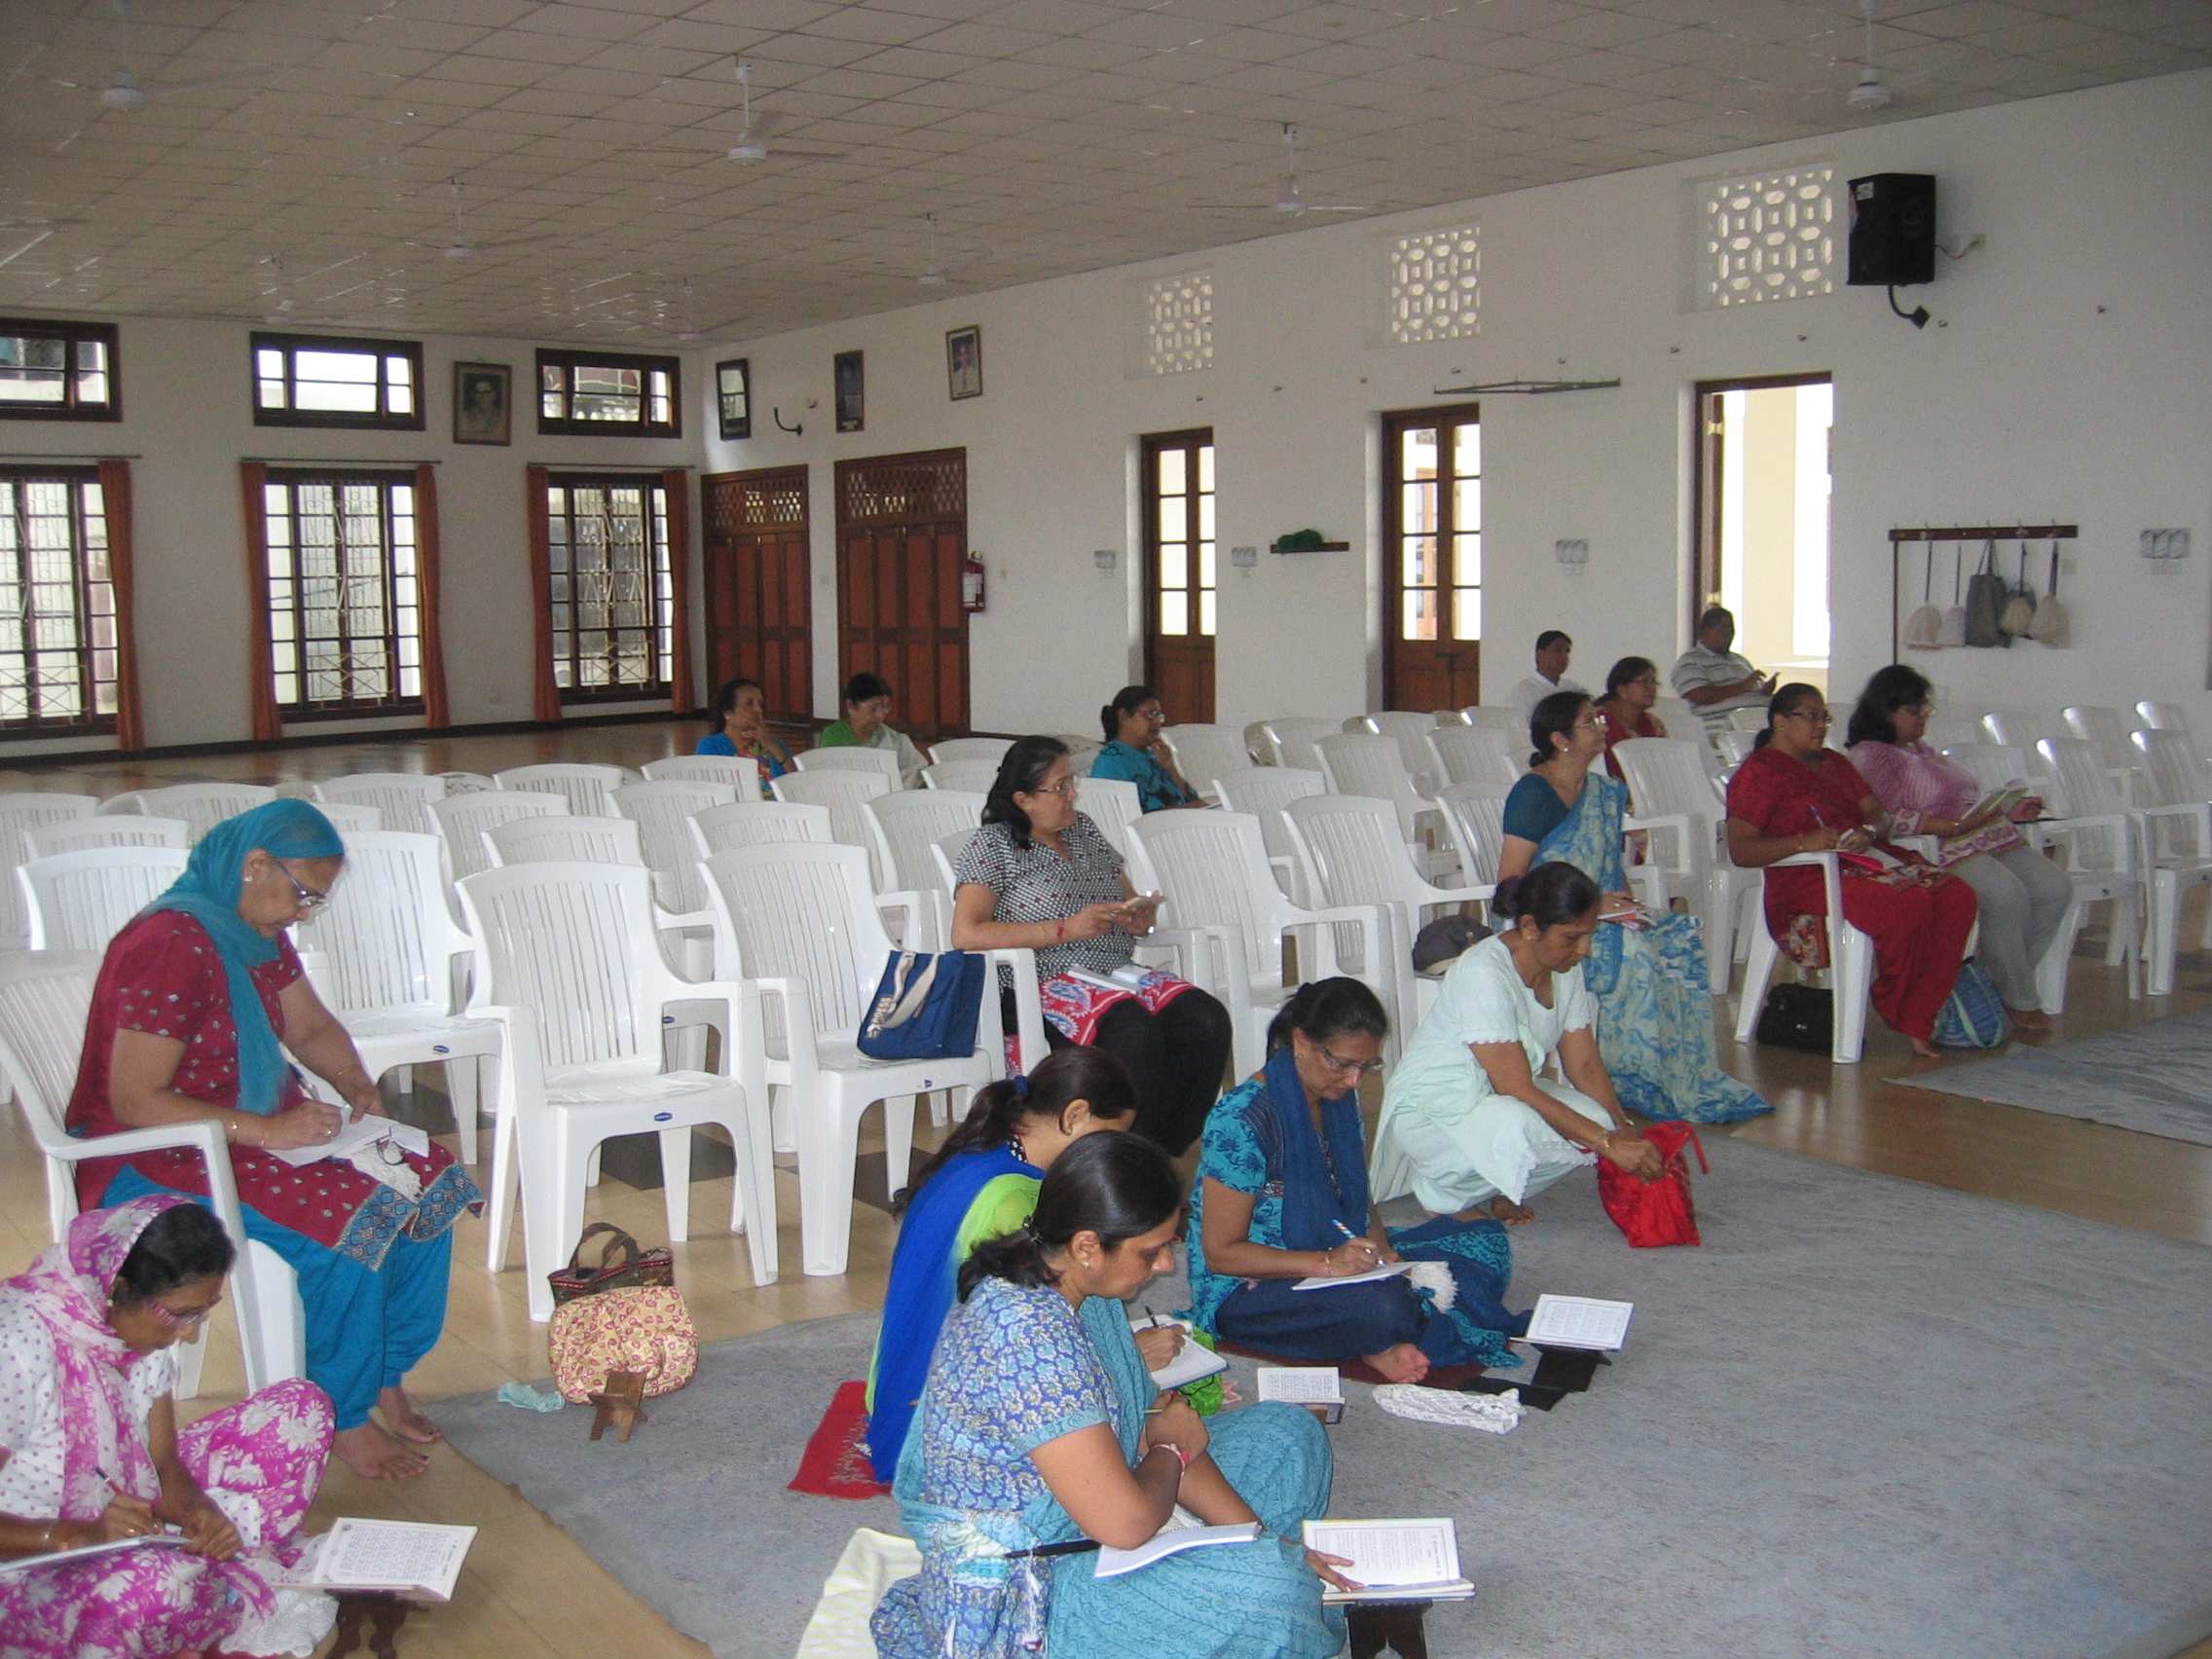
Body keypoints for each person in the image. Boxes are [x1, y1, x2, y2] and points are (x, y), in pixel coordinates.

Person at [66, 800, 481, 1481]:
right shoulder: (168, 944)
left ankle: (382, 1370)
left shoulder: (252, 931)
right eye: (304, 894)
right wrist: (269, 1130)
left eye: (315, 900)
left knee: (422, 1177)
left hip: (246, 1133)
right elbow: (136, 1100)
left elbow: (308, 1027)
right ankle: (339, 1412)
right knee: (352, 1218)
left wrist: (357, 1086)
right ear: (254, 865)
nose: (303, 914)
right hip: (154, 1152)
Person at [871, 1132, 1348, 1659]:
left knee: (1288, 1436)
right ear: (1087, 1247)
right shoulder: (1027, 1339)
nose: (1166, 1265)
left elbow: (1146, 1422)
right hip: (1032, 1588)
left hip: (1100, 1505)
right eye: (1151, 1251)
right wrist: (1171, 1450)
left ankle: (1235, 1572)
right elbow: (1126, 1522)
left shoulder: (1081, 1288)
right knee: (1273, 1596)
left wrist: (1258, 1539)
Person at [0, 1197, 336, 1659]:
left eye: (202, 1312)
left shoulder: (140, 1337)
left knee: (301, 1410)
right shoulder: (16, 1347)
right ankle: (200, 1595)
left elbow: (161, 1463)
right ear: (117, 1289)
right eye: (180, 1314)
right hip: (27, 1560)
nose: (190, 1334)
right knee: (157, 1589)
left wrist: (200, 1513)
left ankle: (199, 1594)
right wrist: (74, 1536)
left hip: (126, 1523)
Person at [1192, 978, 1528, 1386]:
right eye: (1343, 1064)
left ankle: (1375, 1334)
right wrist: (1326, 1264)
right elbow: (1222, 1255)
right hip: (1249, 1286)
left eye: (1366, 1067)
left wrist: (1384, 1253)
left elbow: (1354, 1195)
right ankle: (1377, 1340)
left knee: (1483, 1241)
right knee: (1385, 1306)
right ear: (1301, 1042)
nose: (1355, 1081)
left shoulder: (1337, 1099)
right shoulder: (1241, 1120)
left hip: (1335, 1253)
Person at [866, 1047, 1180, 1482]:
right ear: (1074, 1115)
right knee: (1093, 1267)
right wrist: (1128, 1358)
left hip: (894, 1392)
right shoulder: (1015, 1202)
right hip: (937, 1431)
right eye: (1109, 1136)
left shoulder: (985, 1150)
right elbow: (1023, 1341)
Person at [951, 737, 1233, 1156]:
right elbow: (967, 933)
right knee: (1133, 1031)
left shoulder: (1082, 829)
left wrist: (1137, 917)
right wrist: (1064, 929)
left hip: (1113, 972)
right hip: (1041, 979)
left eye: (1072, 782)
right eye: (1060, 787)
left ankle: (1155, 1150)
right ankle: (1118, 1159)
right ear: (1023, 799)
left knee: (1205, 1019)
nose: (1072, 794)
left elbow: (1125, 897)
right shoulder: (993, 845)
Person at [1495, 693, 1769, 1124]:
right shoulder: (1534, 794)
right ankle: (1630, 1080)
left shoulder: (1601, 791)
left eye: (1599, 719)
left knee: (1677, 935)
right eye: (1590, 722)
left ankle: (1680, 1077)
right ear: (1560, 739)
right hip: (1549, 923)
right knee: (1637, 953)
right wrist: (1590, 907)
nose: (1602, 727)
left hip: (1597, 914)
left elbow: (1606, 862)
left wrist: (1625, 905)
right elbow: (1512, 880)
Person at [1378, 863, 1666, 1224]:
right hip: (1434, 1111)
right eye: (1572, 938)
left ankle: (1503, 1186)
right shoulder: (1484, 971)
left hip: (1498, 1099)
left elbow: (1584, 1065)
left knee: (1597, 1118)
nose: (1585, 950)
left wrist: (1621, 1129)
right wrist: (1607, 1143)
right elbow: (1514, 1087)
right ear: (1530, 927)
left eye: (1588, 935)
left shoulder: (1566, 969)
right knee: (1523, 1126)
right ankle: (1443, 1196)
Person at [1725, 684, 1979, 1060]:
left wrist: (1868, 832)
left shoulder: (1834, 763)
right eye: (1810, 716)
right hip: (1807, 879)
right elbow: (1741, 850)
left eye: (1824, 717)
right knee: (1906, 903)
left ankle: (1919, 1010)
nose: (1820, 725)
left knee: (1957, 895)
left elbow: (1879, 814)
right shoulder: (1759, 773)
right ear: (1780, 722)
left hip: (1864, 860)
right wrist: (1802, 843)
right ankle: (1898, 1004)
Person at [1845, 665, 2066, 1032]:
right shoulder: (1873, 755)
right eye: (1912, 710)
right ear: (1885, 711)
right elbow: (1880, 818)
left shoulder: (1922, 749)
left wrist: (2007, 810)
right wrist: (1946, 827)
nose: (1921, 718)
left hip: (1983, 834)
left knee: (2055, 887)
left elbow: (1962, 799)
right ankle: (2018, 998)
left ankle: (1993, 983)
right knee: (2006, 895)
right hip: (1936, 846)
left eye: (1924, 709)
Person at [1088, 685, 1202, 811]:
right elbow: (1121, 815)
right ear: (1124, 717)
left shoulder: (1153, 756)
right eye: (1150, 714)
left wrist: (1171, 768)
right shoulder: (1112, 761)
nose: (1158, 722)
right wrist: (1181, 810)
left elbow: (1192, 800)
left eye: (1159, 715)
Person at [1671, 607, 1776, 732]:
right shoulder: (1690, 661)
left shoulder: (1739, 660)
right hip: (1727, 726)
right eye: (1723, 630)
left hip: (1762, 718)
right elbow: (1699, 696)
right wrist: (1744, 686)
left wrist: (1764, 690)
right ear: (1706, 631)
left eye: (1731, 631)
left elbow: (1749, 688)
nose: (1728, 636)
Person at [817, 670, 927, 787]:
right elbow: (831, 779)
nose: (880, 715)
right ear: (851, 706)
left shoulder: (893, 739)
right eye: (873, 709)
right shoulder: (834, 736)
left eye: (884, 707)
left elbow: (917, 772)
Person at [696, 676, 793, 794]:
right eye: (749, 704)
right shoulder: (712, 746)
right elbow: (707, 790)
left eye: (760, 704)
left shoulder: (774, 744)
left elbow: (796, 784)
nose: (758, 710)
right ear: (727, 712)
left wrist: (771, 745)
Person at [1594, 655, 1668, 776]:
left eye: (1654, 682)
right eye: (1644, 681)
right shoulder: (1597, 721)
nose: (1652, 688)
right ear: (1622, 690)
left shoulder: (1654, 724)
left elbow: (1664, 764)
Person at [1506, 630, 1586, 714]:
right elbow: (1522, 721)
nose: (1564, 656)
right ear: (1540, 654)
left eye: (1567, 651)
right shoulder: (1524, 691)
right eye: (1558, 650)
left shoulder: (1574, 689)